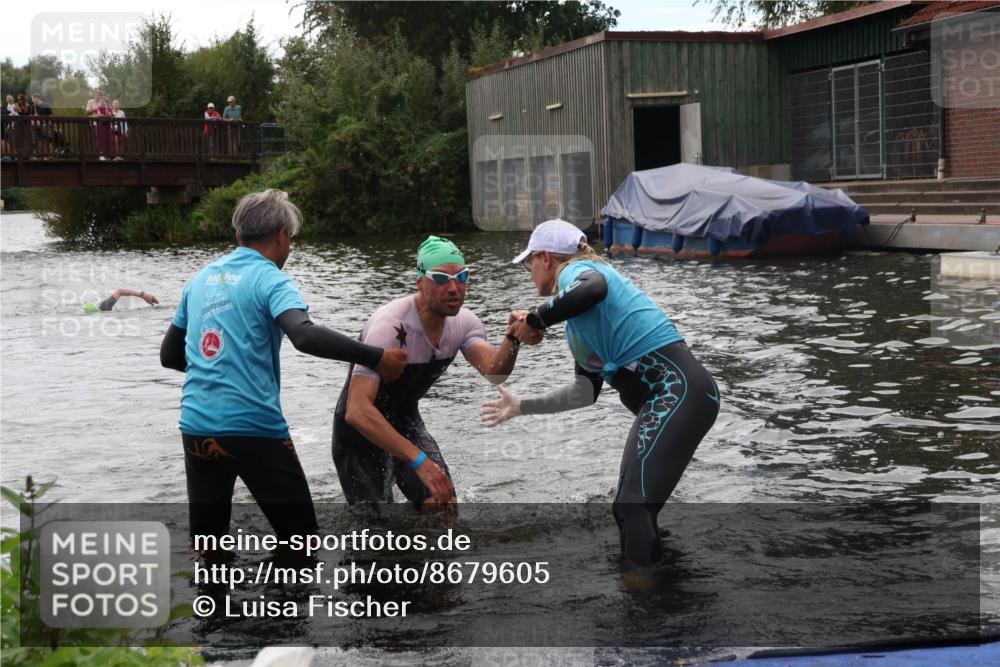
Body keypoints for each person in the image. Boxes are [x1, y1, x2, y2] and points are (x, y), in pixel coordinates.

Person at [160, 189, 407, 545]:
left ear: (238, 236)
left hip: (197, 427)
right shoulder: (271, 279)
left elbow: (170, 355)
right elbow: (303, 336)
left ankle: (212, 600)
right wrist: (376, 357)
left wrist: (221, 368)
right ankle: (290, 601)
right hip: (253, 429)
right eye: (289, 239)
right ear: (281, 235)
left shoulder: (199, 280)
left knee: (209, 547)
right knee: (303, 544)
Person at [481, 219, 721, 568]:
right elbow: (584, 392)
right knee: (630, 506)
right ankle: (660, 587)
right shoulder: (579, 327)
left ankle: (641, 600)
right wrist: (521, 406)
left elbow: (592, 287)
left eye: (529, 262)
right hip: (681, 398)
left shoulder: (578, 270)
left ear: (546, 258)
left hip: (679, 391)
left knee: (631, 506)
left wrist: (535, 319)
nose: (529, 272)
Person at [333, 236, 523, 509]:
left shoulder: (464, 323)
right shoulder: (390, 326)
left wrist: (512, 338)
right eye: (441, 278)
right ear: (420, 281)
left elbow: (495, 373)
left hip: (406, 421)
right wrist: (419, 460)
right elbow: (357, 410)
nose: (454, 288)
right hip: (360, 434)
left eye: (462, 276)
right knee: (375, 526)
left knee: (443, 503)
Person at [83, 288, 159, 313]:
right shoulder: (105, 306)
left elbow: (120, 291)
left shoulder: (105, 306)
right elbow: (120, 291)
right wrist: (143, 295)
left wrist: (143, 295)